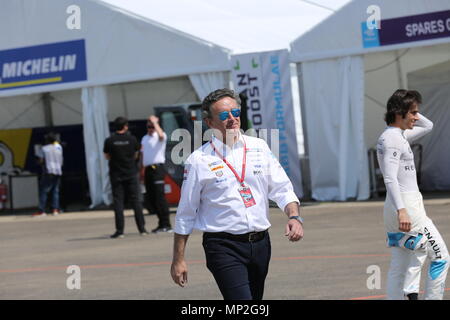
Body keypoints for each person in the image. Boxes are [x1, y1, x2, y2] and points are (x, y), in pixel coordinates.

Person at [170, 88, 304, 300]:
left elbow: (282, 188)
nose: (232, 119)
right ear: (210, 122)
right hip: (223, 246)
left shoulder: (259, 146)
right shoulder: (198, 160)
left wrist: (294, 217)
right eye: (224, 115)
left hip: (260, 244)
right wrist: (179, 259)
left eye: (235, 112)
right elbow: (186, 213)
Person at [376, 89, 449, 300]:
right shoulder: (392, 139)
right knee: (440, 258)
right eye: (413, 113)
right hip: (406, 209)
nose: (417, 118)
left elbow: (429, 126)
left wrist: (406, 100)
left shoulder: (398, 135)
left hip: (399, 206)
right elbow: (389, 178)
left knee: (400, 264)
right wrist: (402, 212)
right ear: (400, 113)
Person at [103, 117, 148, 238]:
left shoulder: (109, 140)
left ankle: (119, 231)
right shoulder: (132, 139)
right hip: (131, 174)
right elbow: (137, 154)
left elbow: (106, 156)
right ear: (125, 126)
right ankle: (142, 228)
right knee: (136, 201)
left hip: (116, 175)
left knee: (118, 203)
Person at [140, 115, 173, 233]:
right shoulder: (144, 138)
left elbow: (160, 134)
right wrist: (142, 171)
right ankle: (161, 223)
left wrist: (155, 123)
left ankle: (166, 224)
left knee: (160, 197)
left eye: (152, 126)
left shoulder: (160, 136)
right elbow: (143, 155)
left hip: (157, 168)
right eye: (148, 126)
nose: (150, 128)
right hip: (148, 169)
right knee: (152, 198)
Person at [33, 132, 63, 217]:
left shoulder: (44, 148)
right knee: (55, 191)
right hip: (58, 170)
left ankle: (41, 210)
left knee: (44, 191)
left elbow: (41, 160)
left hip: (48, 170)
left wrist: (38, 161)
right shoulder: (59, 148)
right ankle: (55, 209)